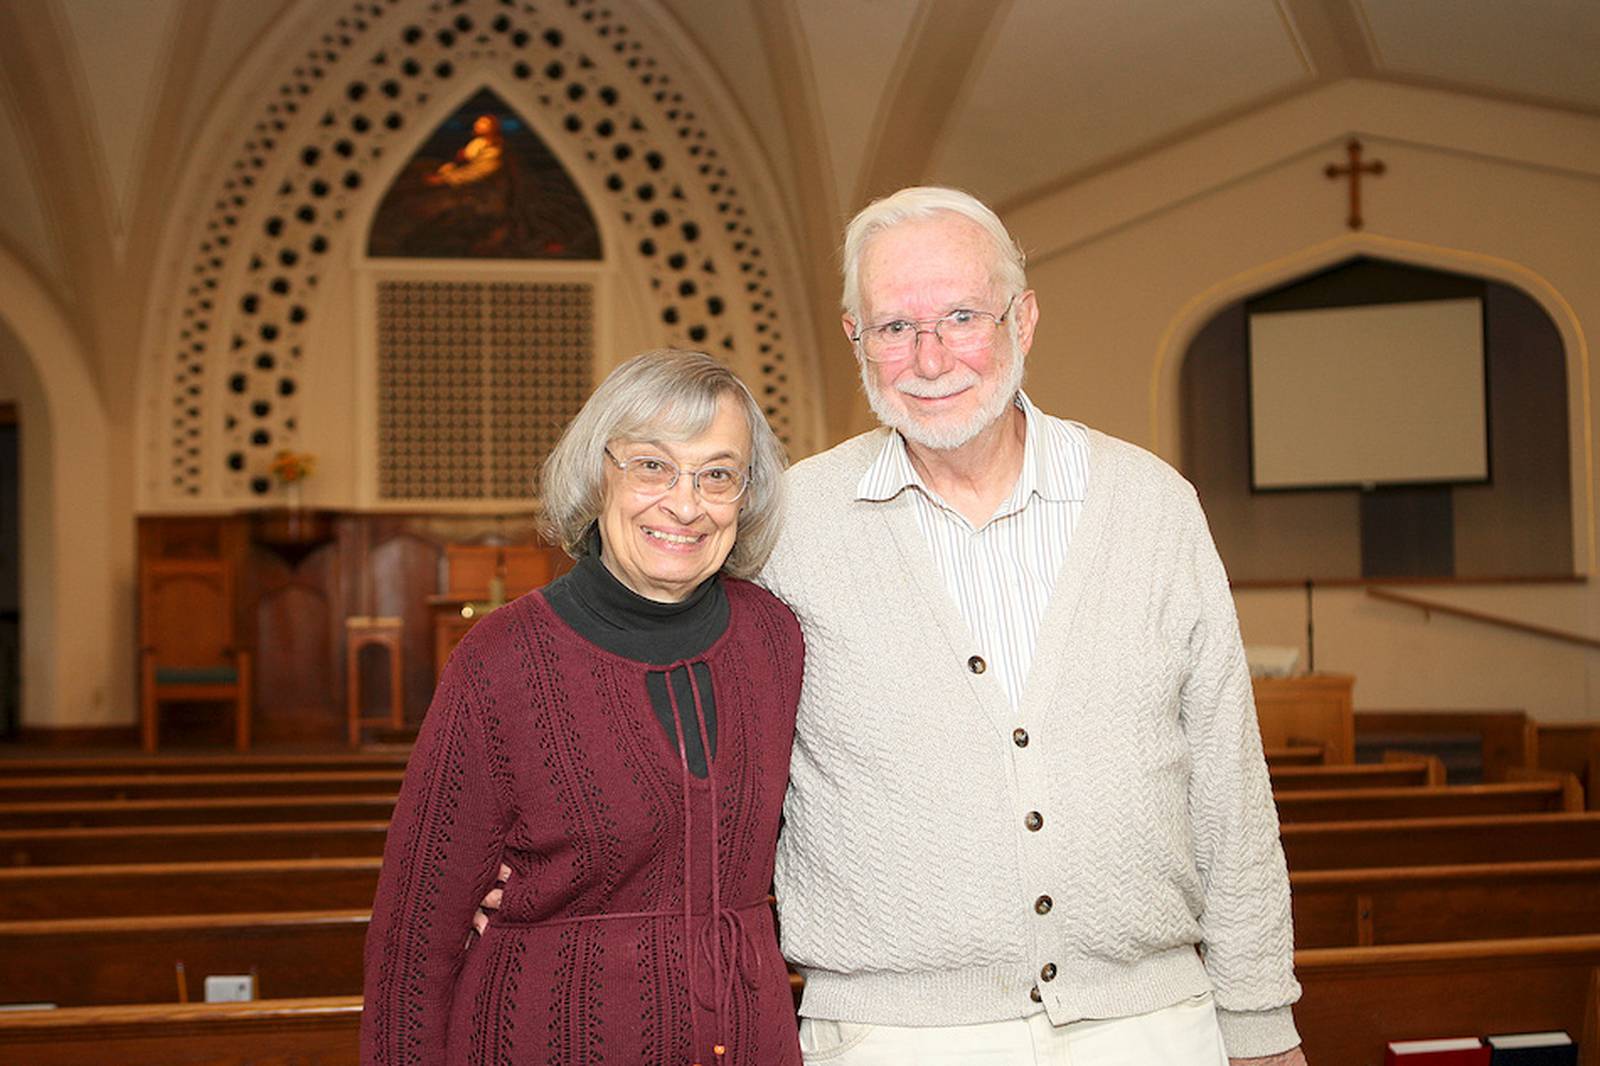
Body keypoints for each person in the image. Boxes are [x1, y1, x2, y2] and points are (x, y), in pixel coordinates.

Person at [759, 187, 1307, 1065]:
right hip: (891, 1036)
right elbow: (695, 750)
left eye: (961, 316)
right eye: (893, 326)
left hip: (1153, 1023)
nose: (929, 357)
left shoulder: (1150, 506)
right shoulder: (788, 526)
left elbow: (1229, 785)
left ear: (1025, 318)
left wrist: (1260, 1021)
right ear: (857, 339)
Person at [361, 349, 805, 1066]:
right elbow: (417, 938)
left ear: (745, 494)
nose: (686, 504)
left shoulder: (775, 639)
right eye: (652, 466)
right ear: (598, 473)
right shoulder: (504, 657)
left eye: (717, 473)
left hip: (751, 1042)